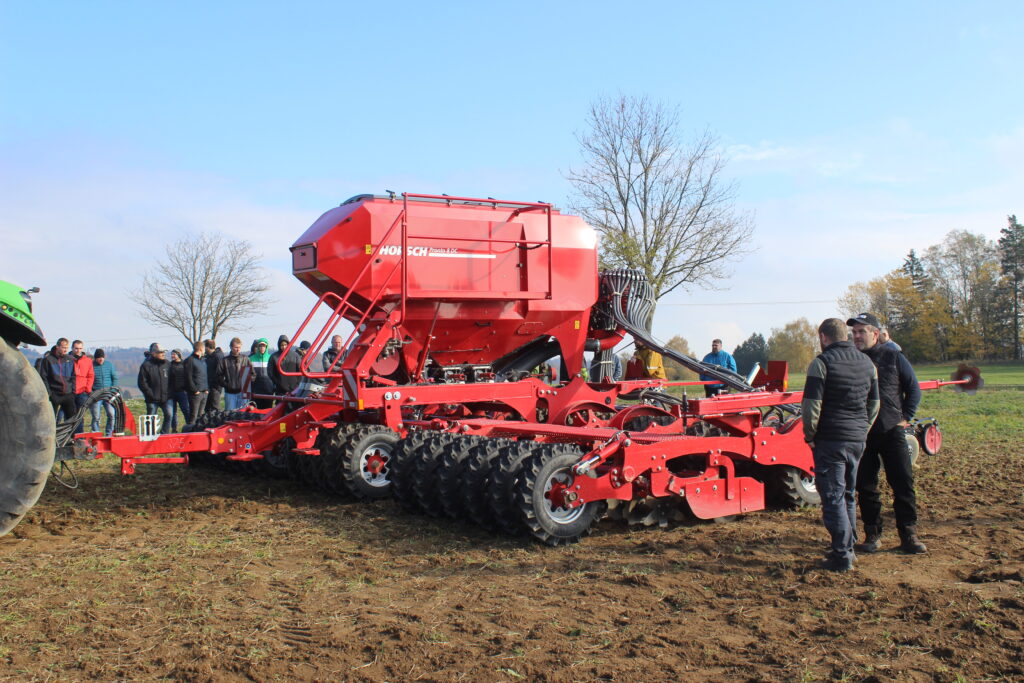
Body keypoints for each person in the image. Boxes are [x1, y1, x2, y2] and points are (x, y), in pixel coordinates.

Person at [802, 318, 880, 572]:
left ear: (824, 337)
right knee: (847, 493)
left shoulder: (822, 363)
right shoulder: (868, 363)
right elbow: (874, 404)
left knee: (833, 497)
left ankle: (842, 555)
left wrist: (810, 435)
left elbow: (812, 405)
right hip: (857, 439)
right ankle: (849, 546)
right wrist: (862, 429)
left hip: (830, 439)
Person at [848, 312, 927, 554]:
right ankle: (873, 535)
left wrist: (905, 418)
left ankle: (908, 535)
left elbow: (913, 389)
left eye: (862, 331)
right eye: (854, 333)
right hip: (863, 433)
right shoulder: (852, 359)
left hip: (891, 430)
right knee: (866, 486)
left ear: (875, 333)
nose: (857, 336)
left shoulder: (893, 356)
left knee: (902, 483)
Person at [138, 343, 172, 434]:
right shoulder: (146, 365)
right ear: (153, 353)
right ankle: (150, 436)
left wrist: (169, 393)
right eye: (160, 352)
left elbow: (173, 379)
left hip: (166, 397)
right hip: (152, 399)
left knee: (169, 415)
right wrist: (150, 394)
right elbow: (142, 383)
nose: (163, 354)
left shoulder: (167, 364)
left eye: (164, 352)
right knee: (151, 418)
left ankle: (164, 434)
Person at [39, 337, 76, 421]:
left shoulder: (70, 360)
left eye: (67, 348)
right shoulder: (48, 360)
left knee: (72, 420)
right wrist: (49, 393)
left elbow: (74, 376)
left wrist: (73, 391)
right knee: (51, 420)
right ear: (57, 347)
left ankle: (70, 434)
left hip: (68, 394)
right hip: (54, 394)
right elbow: (43, 377)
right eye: (63, 347)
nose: (65, 350)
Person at [90, 348, 119, 435]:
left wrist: (113, 391)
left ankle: (109, 434)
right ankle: (96, 434)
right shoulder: (91, 366)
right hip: (96, 395)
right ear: (95, 358)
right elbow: (89, 379)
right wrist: (91, 392)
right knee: (96, 417)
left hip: (108, 395)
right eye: (99, 358)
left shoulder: (109, 365)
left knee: (112, 414)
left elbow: (115, 378)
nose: (101, 360)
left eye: (102, 358)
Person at [221, 337, 252, 411]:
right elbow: (218, 376)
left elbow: (252, 374)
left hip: (244, 392)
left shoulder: (245, 359)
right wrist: (227, 385)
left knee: (243, 415)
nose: (238, 349)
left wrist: (247, 382)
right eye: (236, 347)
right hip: (230, 393)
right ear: (231, 347)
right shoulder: (225, 361)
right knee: (230, 415)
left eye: (239, 347)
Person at [71, 339, 94, 432]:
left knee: (80, 415)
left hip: (82, 391)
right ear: (72, 348)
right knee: (70, 414)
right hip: (70, 391)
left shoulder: (87, 361)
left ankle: (79, 436)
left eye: (80, 348)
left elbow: (91, 375)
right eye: (76, 348)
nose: (78, 350)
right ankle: (69, 436)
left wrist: (87, 389)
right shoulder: (67, 359)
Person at [184, 341, 209, 423]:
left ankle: (199, 432)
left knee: (201, 416)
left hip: (204, 392)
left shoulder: (203, 361)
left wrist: (206, 389)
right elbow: (188, 377)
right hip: (195, 394)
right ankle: (190, 432)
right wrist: (195, 390)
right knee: (193, 415)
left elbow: (205, 376)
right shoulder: (190, 360)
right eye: (204, 349)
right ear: (201, 349)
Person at [249, 338, 275, 409]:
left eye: (264, 346)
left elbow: (275, 375)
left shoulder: (271, 358)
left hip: (268, 391)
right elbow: (247, 376)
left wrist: (274, 387)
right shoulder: (251, 359)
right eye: (260, 346)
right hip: (255, 391)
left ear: (266, 347)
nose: (262, 348)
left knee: (267, 412)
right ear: (257, 347)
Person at [168, 349, 190, 431]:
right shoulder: (169, 365)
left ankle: (189, 425)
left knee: (186, 409)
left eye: (174, 354)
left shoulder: (184, 364)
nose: (172, 356)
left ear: (179, 355)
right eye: (171, 354)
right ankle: (174, 428)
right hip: (172, 392)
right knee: (173, 412)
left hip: (183, 392)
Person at [204, 339, 224, 414]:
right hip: (209, 386)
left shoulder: (217, 356)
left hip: (215, 387)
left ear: (207, 347)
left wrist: (216, 386)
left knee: (215, 409)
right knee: (208, 409)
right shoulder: (208, 357)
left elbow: (220, 372)